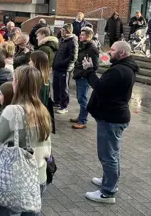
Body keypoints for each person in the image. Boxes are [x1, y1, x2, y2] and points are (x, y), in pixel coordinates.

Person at [81, 41, 138, 204]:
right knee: (112, 154)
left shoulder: (120, 70)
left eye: (112, 50)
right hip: (114, 117)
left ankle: (108, 192)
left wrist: (89, 71)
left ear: (122, 53)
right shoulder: (123, 67)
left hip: (112, 118)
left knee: (108, 156)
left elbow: (100, 87)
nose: (109, 52)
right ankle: (109, 181)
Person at [0, 66, 52, 215]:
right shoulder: (43, 110)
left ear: (18, 84)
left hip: (15, 180)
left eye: (14, 79)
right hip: (38, 176)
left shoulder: (12, 111)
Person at [69, 27, 100, 130]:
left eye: (82, 35)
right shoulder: (83, 46)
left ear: (88, 36)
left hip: (84, 77)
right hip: (79, 74)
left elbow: (95, 66)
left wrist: (83, 73)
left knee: (82, 99)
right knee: (80, 98)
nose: (80, 36)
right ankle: (81, 117)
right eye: (80, 34)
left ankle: (83, 121)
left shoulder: (92, 48)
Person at [52, 23, 78, 114]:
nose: (61, 32)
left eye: (63, 30)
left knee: (63, 88)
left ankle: (64, 106)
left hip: (64, 69)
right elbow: (58, 53)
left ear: (68, 31)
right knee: (56, 85)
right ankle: (57, 102)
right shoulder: (62, 40)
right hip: (57, 67)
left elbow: (73, 57)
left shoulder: (72, 41)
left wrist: (61, 64)